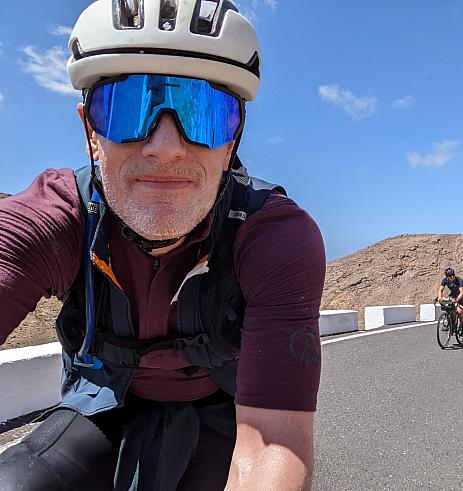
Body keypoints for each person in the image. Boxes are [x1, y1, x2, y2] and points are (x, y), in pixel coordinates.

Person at [0, 1, 325, 489]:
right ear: (90, 131)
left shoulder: (276, 237)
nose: (166, 147)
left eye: (204, 114)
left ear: (232, 141)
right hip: (103, 405)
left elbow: (271, 445)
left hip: (228, 413)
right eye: (128, 108)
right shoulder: (54, 217)